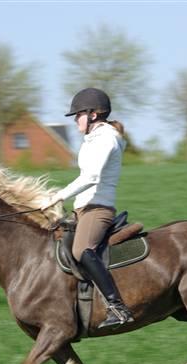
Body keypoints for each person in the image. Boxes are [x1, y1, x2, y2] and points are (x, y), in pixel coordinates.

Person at [40, 87, 134, 329]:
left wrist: (57, 197)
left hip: (97, 210)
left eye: (77, 115)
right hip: (82, 209)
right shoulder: (93, 140)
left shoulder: (107, 139)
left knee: (82, 249)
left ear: (93, 115)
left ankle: (117, 307)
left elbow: (91, 177)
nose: (75, 121)